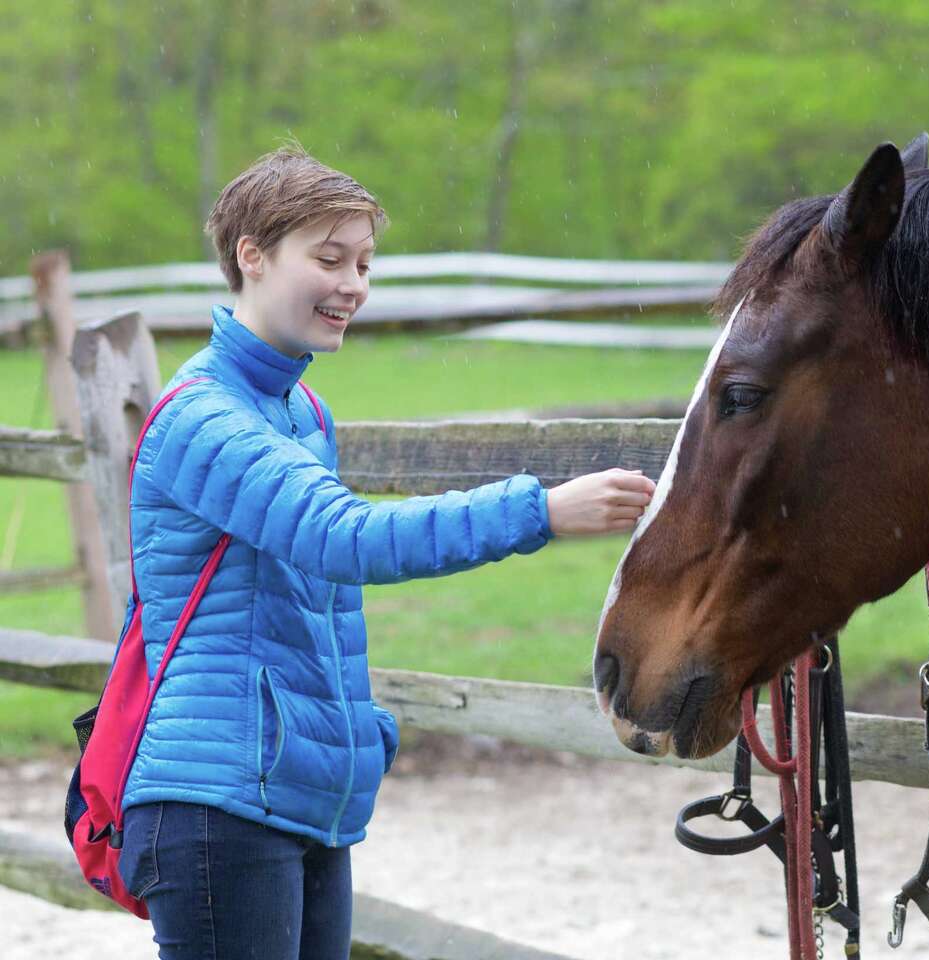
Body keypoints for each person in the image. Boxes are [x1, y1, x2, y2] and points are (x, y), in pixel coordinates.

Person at [115, 144, 656, 959]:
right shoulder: (202, 416)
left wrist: (356, 730)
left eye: (364, 263)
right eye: (328, 258)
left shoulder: (302, 411)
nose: (353, 286)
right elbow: (346, 539)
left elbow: (307, 606)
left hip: (301, 791)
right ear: (251, 257)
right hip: (216, 803)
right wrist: (538, 511)